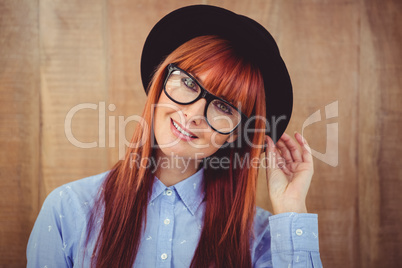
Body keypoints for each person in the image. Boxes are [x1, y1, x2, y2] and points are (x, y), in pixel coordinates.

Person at [27, 5, 322, 268]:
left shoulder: (261, 240)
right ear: (160, 83)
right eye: (188, 83)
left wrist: (292, 207)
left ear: (235, 133)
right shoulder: (69, 210)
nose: (193, 114)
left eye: (223, 106)